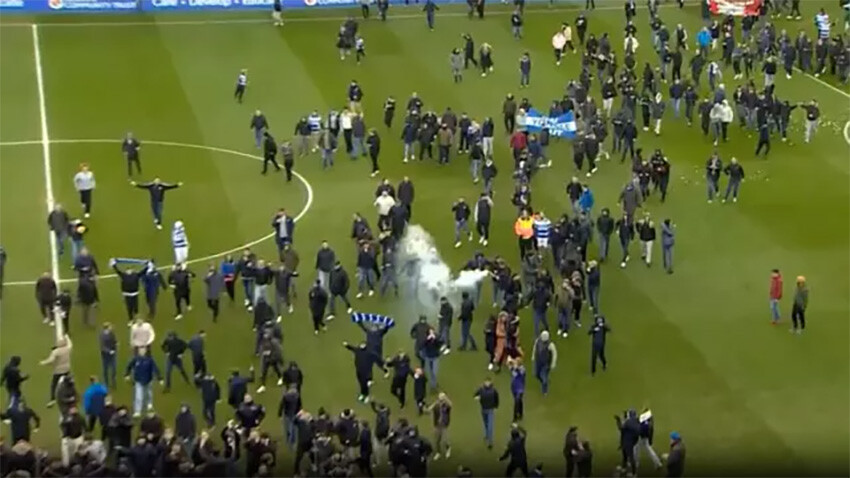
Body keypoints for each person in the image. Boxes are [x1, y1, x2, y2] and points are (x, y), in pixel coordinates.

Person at [124, 347, 162, 417]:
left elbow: (155, 368)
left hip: (148, 380)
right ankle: (137, 411)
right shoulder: (136, 359)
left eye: (143, 350)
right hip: (138, 380)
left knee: (149, 393)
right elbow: (129, 366)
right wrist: (127, 374)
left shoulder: (150, 359)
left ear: (146, 351)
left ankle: (149, 404)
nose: (142, 351)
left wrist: (160, 378)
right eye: (140, 350)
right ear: (138, 351)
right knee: (138, 396)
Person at [40, 334, 72, 408]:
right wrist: (67, 337)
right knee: (68, 383)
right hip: (67, 369)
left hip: (58, 370)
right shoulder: (67, 349)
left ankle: (53, 399)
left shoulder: (56, 352)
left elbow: (51, 360)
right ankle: (69, 397)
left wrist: (43, 362)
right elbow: (70, 344)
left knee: (54, 385)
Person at [474, 378, 499, 449]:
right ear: (484, 382)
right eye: (486, 382)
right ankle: (486, 435)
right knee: (486, 423)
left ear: (490, 382)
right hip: (483, 409)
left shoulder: (494, 391)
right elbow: (475, 395)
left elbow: (497, 399)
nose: (487, 383)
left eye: (488, 382)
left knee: (490, 426)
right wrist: (477, 397)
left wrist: (496, 407)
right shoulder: (481, 390)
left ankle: (490, 442)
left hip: (490, 410)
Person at [426, 392, 452, 460]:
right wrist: (434, 404)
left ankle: (448, 449)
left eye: (443, 399)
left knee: (445, 440)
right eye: (440, 399)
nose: (442, 401)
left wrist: (446, 399)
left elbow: (450, 405)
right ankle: (438, 453)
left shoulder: (446, 405)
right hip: (437, 425)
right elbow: (428, 410)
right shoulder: (436, 405)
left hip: (444, 424)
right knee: (437, 440)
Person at [531, 330, 557, 395]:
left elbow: (554, 354)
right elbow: (535, 347)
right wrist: (533, 356)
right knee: (536, 374)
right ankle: (544, 381)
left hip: (545, 364)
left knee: (544, 377)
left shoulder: (550, 345)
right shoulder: (538, 340)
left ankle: (544, 390)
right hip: (538, 361)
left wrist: (553, 363)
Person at [615, 410, 640, 476]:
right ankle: (624, 468)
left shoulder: (628, 422)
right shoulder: (636, 421)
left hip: (627, 442)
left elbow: (621, 428)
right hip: (630, 441)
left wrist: (618, 420)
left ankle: (634, 473)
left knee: (630, 457)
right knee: (625, 456)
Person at [507, 357, 525, 422]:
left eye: (516, 362)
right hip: (514, 388)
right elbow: (509, 367)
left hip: (520, 389)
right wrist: (510, 362)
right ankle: (521, 414)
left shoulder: (522, 369)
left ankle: (515, 418)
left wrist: (514, 364)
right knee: (519, 401)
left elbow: (520, 371)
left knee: (516, 403)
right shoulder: (514, 369)